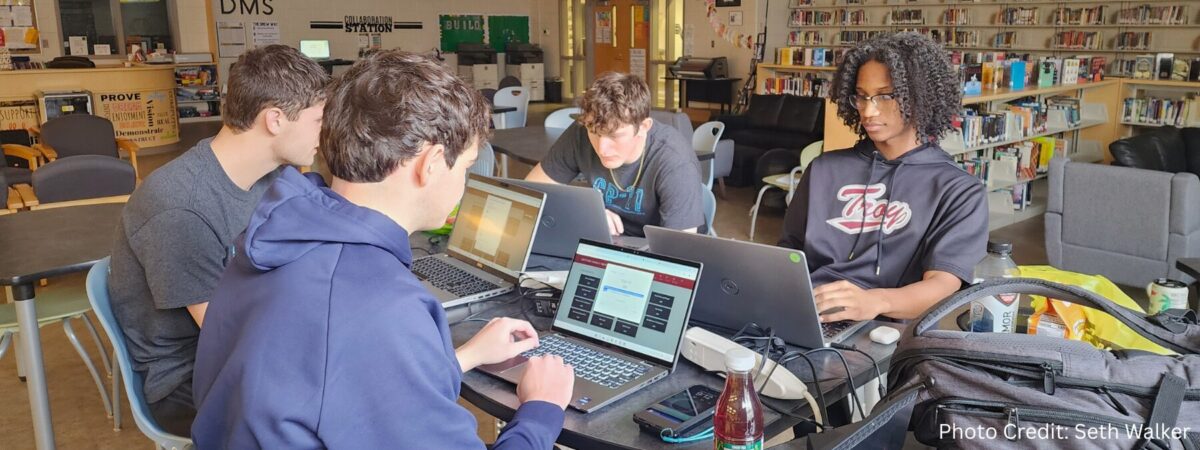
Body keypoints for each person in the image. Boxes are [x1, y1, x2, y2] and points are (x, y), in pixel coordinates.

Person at [191, 50, 574, 449]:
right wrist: (541, 410)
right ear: (431, 163)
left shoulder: (276, 235)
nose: (466, 183)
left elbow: (332, 385)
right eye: (467, 167)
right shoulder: (381, 308)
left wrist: (461, 358)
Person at [107, 45, 327, 436]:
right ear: (275, 120)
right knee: (339, 409)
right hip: (189, 378)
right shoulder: (181, 208)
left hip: (250, 336)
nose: (323, 133)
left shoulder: (271, 177)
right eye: (317, 121)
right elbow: (230, 338)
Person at [778, 32, 988, 323]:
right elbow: (788, 253)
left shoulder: (958, 190)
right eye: (862, 96)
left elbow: (943, 285)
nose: (868, 109)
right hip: (805, 314)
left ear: (918, 95)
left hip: (885, 329)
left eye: (885, 96)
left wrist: (873, 302)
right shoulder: (823, 169)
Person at [525, 72, 704, 237]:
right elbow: (530, 192)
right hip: (604, 239)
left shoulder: (675, 162)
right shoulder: (583, 131)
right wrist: (586, 210)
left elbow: (679, 253)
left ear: (643, 127)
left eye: (614, 136)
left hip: (655, 250)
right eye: (593, 132)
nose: (602, 148)